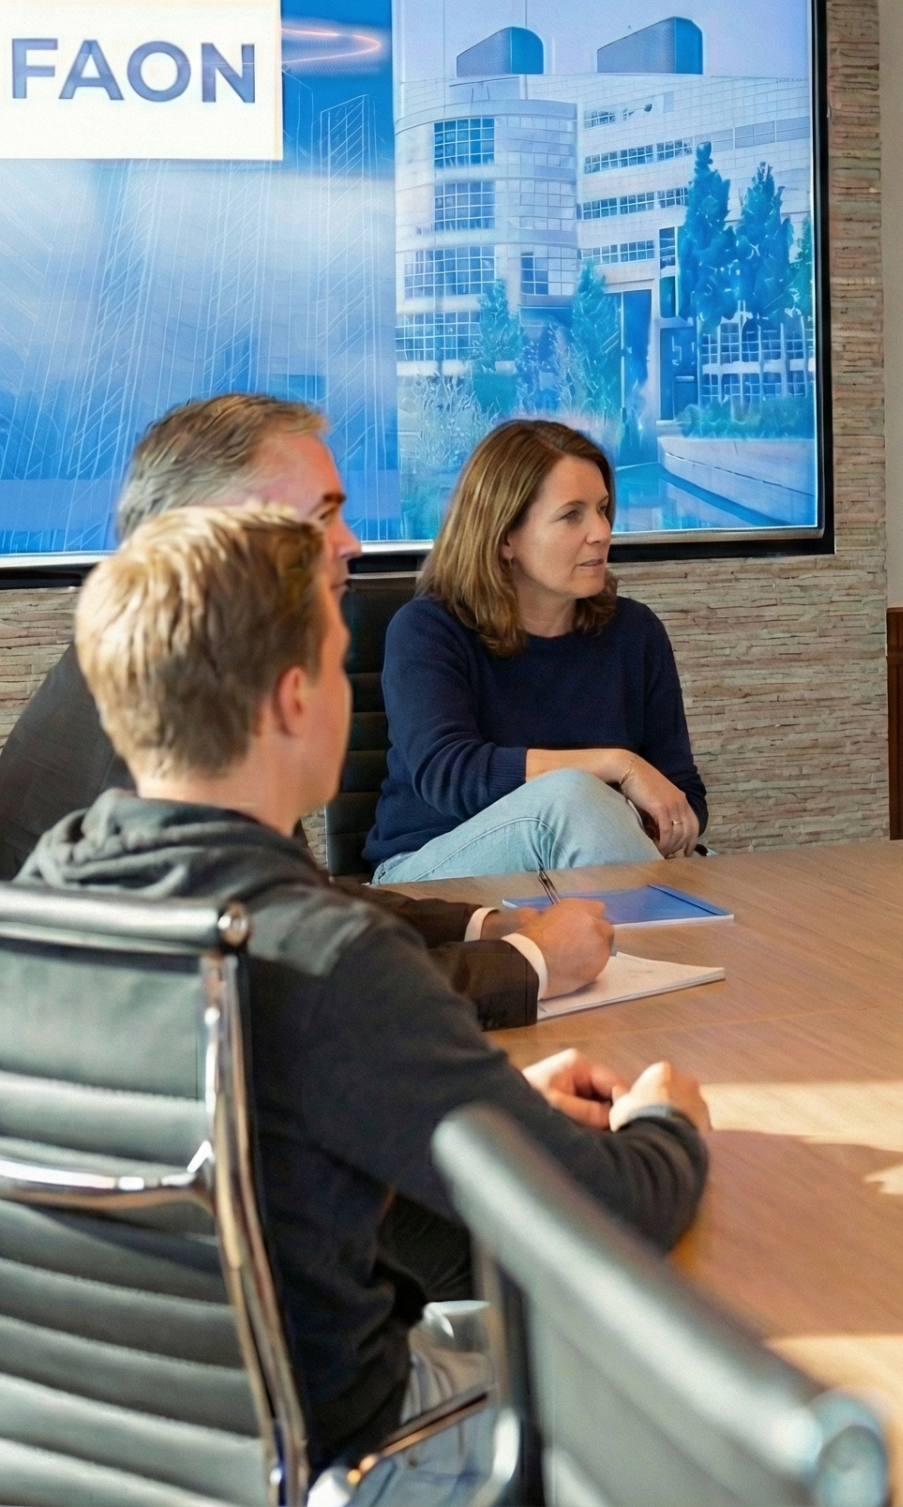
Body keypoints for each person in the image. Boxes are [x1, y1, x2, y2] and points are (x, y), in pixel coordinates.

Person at [19, 504, 711, 1491]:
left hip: (112, 1457)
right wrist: (666, 1125)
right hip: (361, 1454)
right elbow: (607, 1212)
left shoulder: (45, 902)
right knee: (686, 1387)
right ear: (296, 699)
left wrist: (478, 1104)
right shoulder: (328, 958)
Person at [0, 394, 608, 1029]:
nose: (350, 542)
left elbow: (288, 897)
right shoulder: (168, 699)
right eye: (321, 518)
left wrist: (478, 923)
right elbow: (304, 987)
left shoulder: (184, 657)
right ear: (214, 533)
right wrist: (532, 961)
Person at [366, 420, 707, 885]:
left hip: (590, 867)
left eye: (602, 509)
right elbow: (451, 775)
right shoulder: (426, 630)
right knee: (571, 798)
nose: (602, 532)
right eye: (572, 515)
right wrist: (617, 766)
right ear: (505, 536)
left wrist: (659, 823)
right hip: (432, 877)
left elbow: (681, 793)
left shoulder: (637, 632)